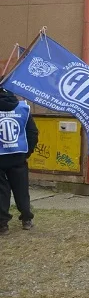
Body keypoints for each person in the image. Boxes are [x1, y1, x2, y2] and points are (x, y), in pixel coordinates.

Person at [0, 89, 39, 234]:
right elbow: (33, 133)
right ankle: (26, 219)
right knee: (21, 189)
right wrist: (26, 153)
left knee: (1, 191)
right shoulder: (22, 108)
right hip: (18, 155)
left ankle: (3, 225)